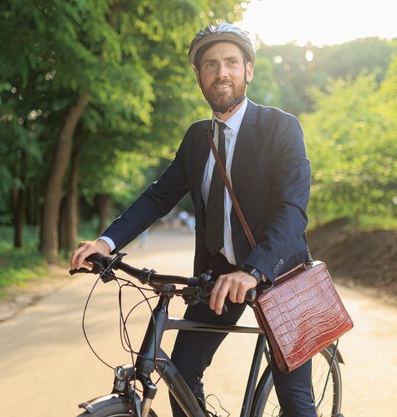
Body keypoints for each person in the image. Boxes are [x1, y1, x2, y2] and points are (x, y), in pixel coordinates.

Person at [71, 23, 315, 417]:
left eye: (232, 63)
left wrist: (253, 271)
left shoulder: (280, 128)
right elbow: (158, 197)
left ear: (248, 70)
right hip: (218, 276)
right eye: (211, 65)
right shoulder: (197, 138)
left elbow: (292, 210)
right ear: (199, 77)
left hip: (279, 273)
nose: (222, 73)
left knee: (295, 400)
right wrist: (107, 242)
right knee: (181, 374)